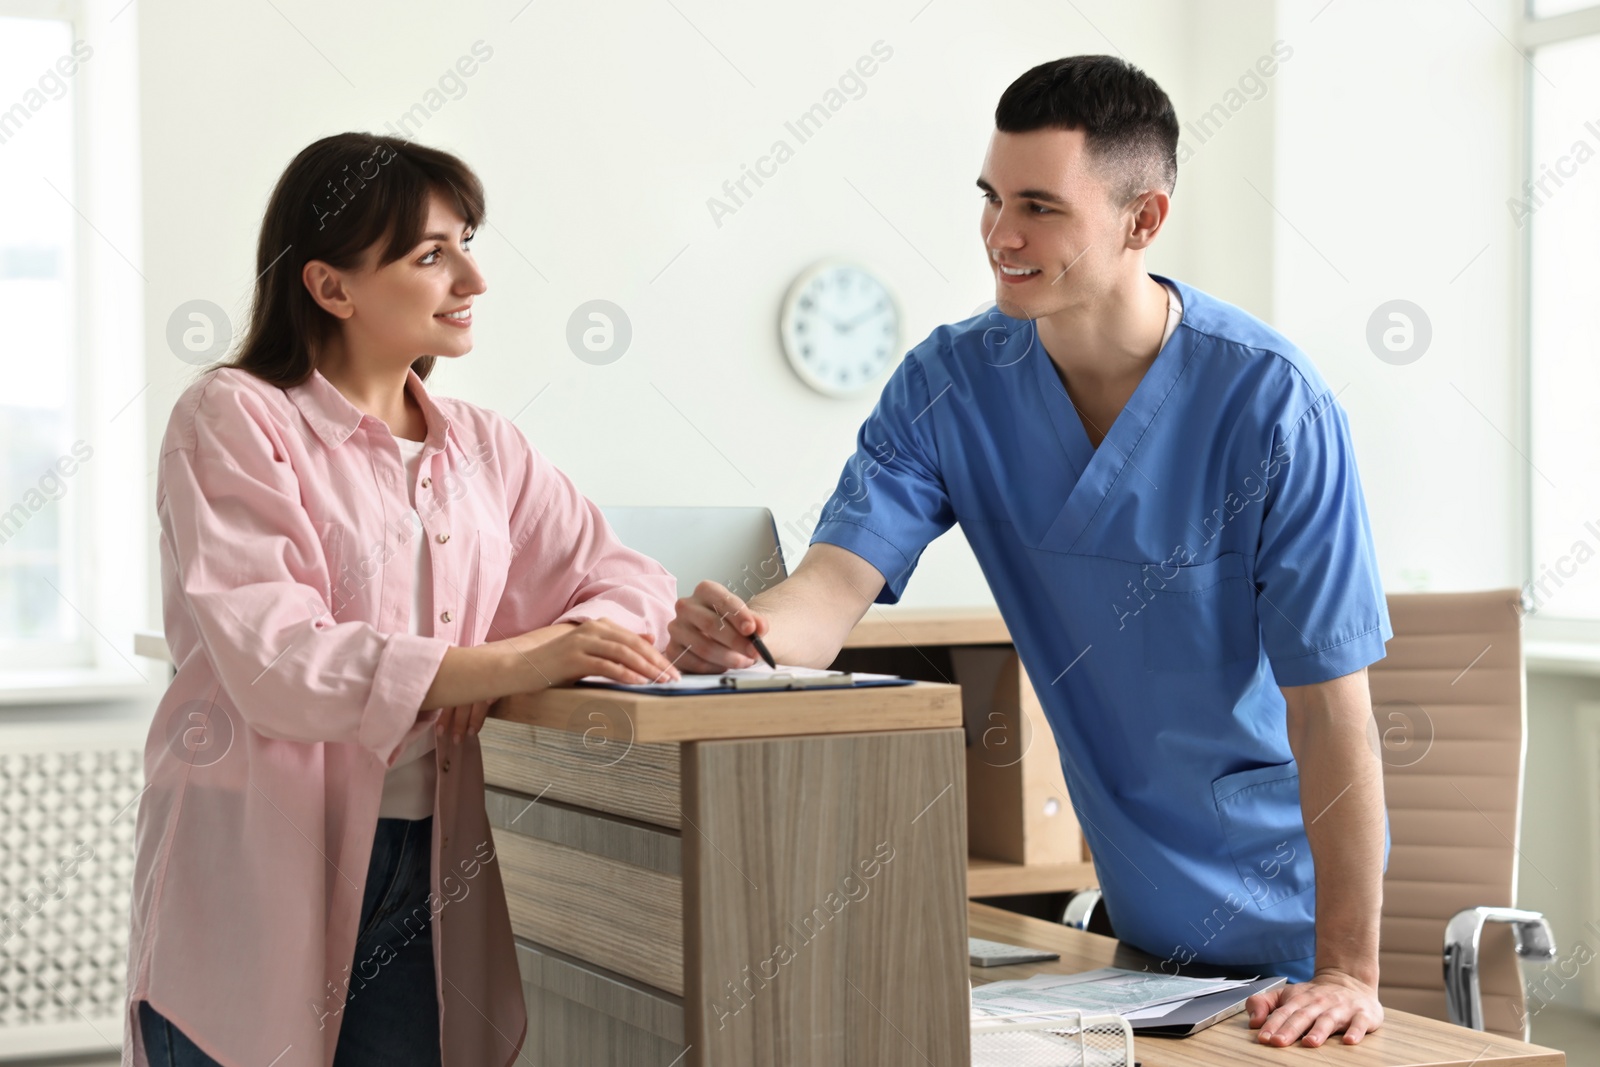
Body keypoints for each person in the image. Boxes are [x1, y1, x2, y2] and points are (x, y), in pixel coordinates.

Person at [668, 56, 1391, 1049]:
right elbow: (832, 587)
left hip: (1295, 938)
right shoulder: (950, 382)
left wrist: (1349, 966)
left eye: (1040, 206)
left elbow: (1330, 708)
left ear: (1143, 221)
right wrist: (745, 641)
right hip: (1138, 932)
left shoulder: (1269, 403)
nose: (1000, 235)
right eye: (992, 197)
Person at [123, 134, 680, 1067]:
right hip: (256, 865)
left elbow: (629, 580)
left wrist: (541, 649)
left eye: (467, 241)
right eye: (431, 254)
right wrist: (494, 664)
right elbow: (280, 660)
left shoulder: (484, 446)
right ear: (331, 288)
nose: (472, 277)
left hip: (432, 862)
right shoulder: (234, 416)